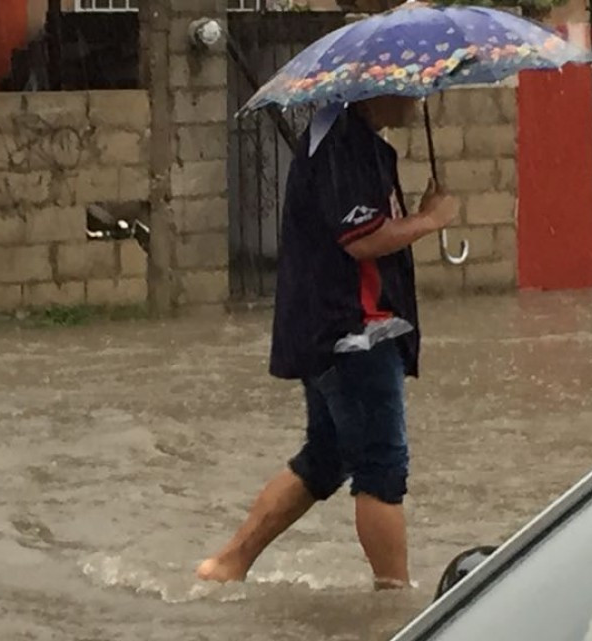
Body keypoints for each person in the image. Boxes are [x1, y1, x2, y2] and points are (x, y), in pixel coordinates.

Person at [196, 95, 459, 590]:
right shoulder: (343, 145)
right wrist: (430, 220)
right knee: (381, 467)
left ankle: (229, 564)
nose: (416, 97)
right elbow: (362, 239)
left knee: (326, 458)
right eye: (406, 87)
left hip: (331, 331)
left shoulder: (344, 138)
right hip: (354, 334)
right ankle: (394, 605)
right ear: (376, 89)